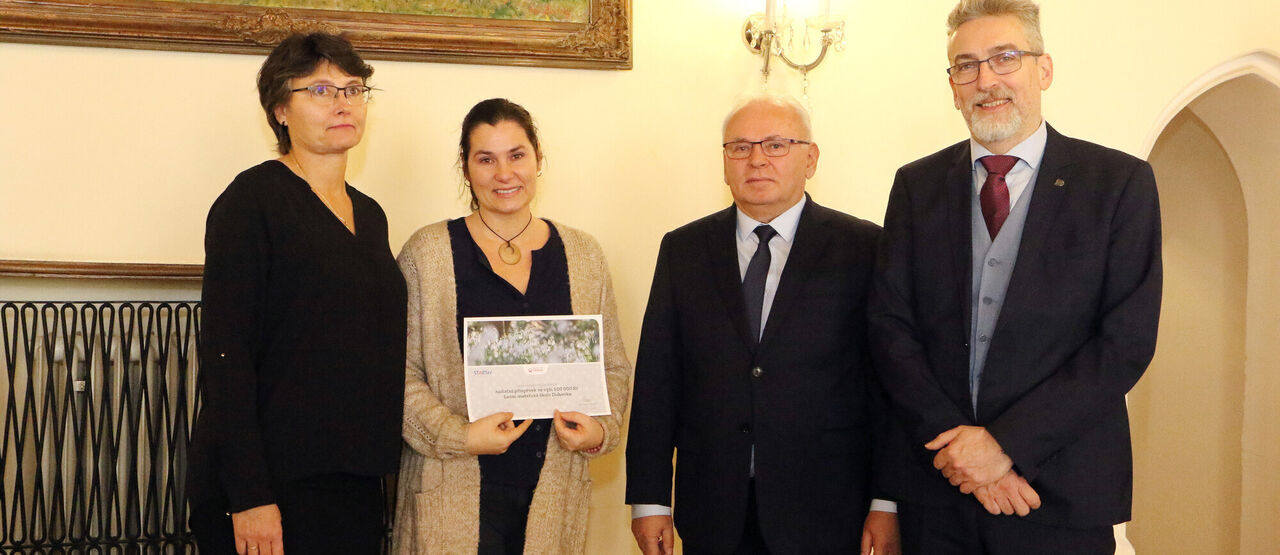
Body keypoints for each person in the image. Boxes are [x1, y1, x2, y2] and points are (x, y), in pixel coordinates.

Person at [868, 0, 1162, 553]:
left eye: (1005, 58)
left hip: (1058, 497)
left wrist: (1004, 447)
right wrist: (961, 455)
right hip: (937, 494)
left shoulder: (1119, 184)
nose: (986, 80)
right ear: (952, 86)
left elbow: (1125, 343)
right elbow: (890, 329)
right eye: (966, 65)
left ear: (1043, 70)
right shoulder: (915, 186)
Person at [625, 95, 899, 555]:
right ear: (724, 162)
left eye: (775, 145)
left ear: (810, 158)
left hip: (828, 506)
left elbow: (887, 384)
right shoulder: (684, 249)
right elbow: (658, 379)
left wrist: (887, 500)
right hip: (713, 508)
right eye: (740, 147)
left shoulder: (864, 248)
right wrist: (649, 500)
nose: (756, 159)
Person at [186, 32, 406, 555]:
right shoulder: (252, 200)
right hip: (270, 484)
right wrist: (250, 496)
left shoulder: (370, 214)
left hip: (352, 479)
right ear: (280, 110)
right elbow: (226, 354)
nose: (343, 104)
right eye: (321, 91)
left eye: (353, 89)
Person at [390, 98, 632, 554]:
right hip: (450, 493)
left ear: (538, 158)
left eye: (516, 155)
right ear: (465, 168)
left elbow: (612, 367)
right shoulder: (427, 254)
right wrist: (460, 436)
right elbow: (396, 373)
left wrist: (601, 428)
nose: (504, 174)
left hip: (554, 492)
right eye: (486, 159)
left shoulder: (584, 256)